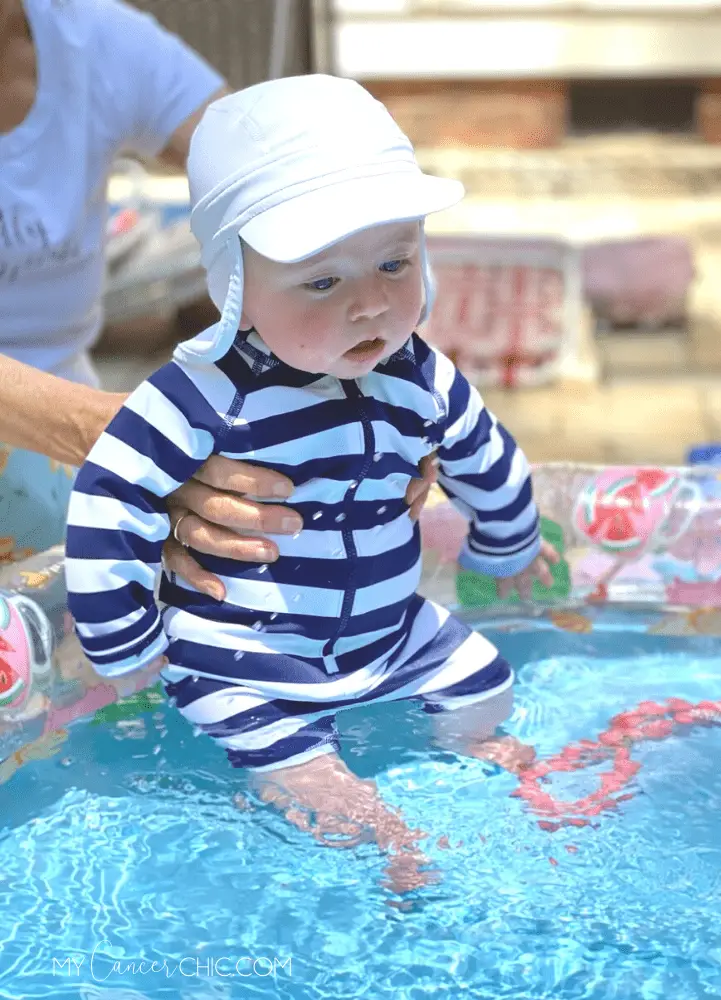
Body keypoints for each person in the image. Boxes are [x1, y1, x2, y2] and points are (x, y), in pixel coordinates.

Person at [64, 76, 559, 893]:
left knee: (485, 682)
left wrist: (510, 547)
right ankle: (334, 797)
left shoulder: (421, 375)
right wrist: (125, 645)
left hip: (393, 634)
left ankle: (480, 761)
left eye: (395, 262)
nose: (370, 305)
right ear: (234, 287)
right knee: (274, 740)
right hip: (247, 654)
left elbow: (486, 456)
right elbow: (108, 496)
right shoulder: (204, 394)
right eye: (321, 281)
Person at [0, 0, 436, 590]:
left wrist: (396, 380)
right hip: (74, 433)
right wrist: (124, 441)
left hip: (74, 446)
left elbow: (269, 167)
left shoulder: (90, 40)